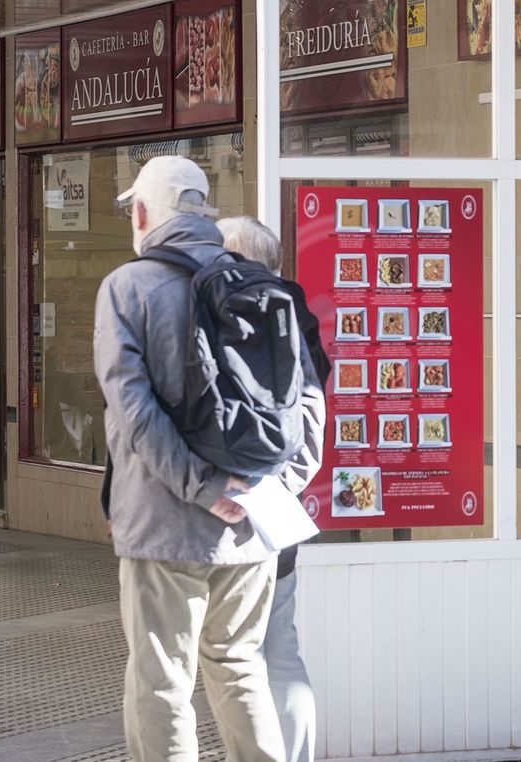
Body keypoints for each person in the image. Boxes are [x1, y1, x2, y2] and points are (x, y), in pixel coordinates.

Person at [95, 156, 323, 762]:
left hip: (165, 528)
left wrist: (202, 488)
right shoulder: (254, 280)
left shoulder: (127, 287)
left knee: (163, 680)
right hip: (250, 529)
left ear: (142, 213)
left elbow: (134, 411)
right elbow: (304, 398)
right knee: (241, 670)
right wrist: (253, 486)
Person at [217, 215, 328, 762]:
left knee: (238, 657)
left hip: (238, 517)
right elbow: (310, 432)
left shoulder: (229, 317)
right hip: (275, 512)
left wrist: (244, 493)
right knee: (276, 650)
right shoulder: (296, 315)